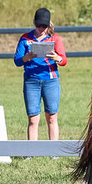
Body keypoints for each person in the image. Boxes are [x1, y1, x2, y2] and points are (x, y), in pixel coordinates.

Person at [14, 8, 68, 140]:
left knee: (52, 117)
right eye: (39, 25)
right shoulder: (25, 38)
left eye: (44, 26)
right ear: (34, 23)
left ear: (49, 24)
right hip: (31, 81)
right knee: (33, 119)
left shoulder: (55, 38)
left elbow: (64, 60)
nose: (41, 29)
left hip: (50, 81)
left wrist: (57, 58)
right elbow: (17, 61)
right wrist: (27, 57)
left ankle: (53, 151)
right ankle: (31, 151)